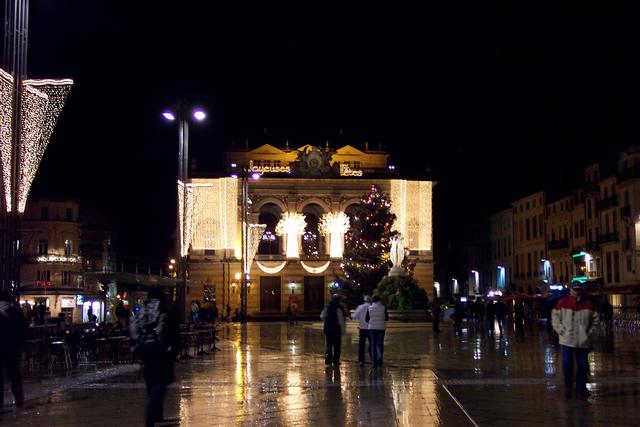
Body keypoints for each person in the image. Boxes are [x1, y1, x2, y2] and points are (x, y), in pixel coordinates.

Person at [130, 288, 180, 426]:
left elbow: (134, 333)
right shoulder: (165, 313)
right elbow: (174, 335)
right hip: (162, 355)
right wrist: (173, 352)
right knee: (161, 384)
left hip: (146, 355)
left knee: (152, 385)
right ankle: (151, 416)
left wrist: (138, 352)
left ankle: (158, 415)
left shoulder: (142, 313)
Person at [552, 283, 599, 400]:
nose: (577, 291)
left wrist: (589, 332)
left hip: (583, 341)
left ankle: (580, 387)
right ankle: (568, 385)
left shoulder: (588, 304)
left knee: (582, 366)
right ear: (570, 290)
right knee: (567, 364)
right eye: (575, 289)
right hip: (567, 340)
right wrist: (561, 331)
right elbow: (555, 318)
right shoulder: (563, 302)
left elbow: (595, 319)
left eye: (578, 289)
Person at [0, 289, 26, 407]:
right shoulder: (16, 312)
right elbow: (23, 331)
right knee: (14, 374)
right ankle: (19, 398)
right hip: (12, 348)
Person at [320, 294, 346, 366]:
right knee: (337, 346)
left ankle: (328, 358)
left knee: (329, 344)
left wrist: (327, 321)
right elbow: (341, 321)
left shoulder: (327, 307)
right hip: (336, 330)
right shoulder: (339, 308)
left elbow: (322, 316)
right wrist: (343, 331)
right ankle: (336, 361)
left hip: (328, 330)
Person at [366, 296, 389, 368]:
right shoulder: (383, 307)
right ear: (379, 300)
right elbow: (387, 318)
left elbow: (366, 319)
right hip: (381, 328)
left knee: (373, 344)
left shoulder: (369, 308)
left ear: (373, 301)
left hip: (372, 328)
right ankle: (380, 361)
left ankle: (374, 362)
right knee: (380, 344)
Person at [352, 295, 372, 366]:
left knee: (361, 345)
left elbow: (354, 317)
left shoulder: (360, 307)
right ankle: (373, 359)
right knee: (372, 344)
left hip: (362, 328)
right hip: (371, 328)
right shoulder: (372, 307)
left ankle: (361, 360)